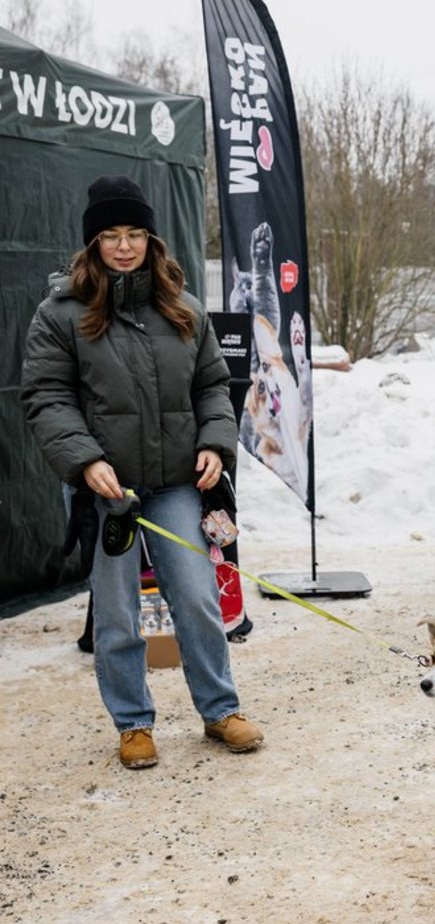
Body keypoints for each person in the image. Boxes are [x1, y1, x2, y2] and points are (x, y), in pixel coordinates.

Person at [21, 174, 264, 769]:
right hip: (108, 490)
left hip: (178, 482)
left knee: (198, 597)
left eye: (135, 234)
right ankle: (133, 723)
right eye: (111, 235)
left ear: (152, 240)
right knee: (118, 611)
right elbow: (48, 398)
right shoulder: (61, 315)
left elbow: (213, 385)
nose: (124, 245)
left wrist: (214, 441)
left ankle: (219, 711)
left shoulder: (182, 310)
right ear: (93, 243)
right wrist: (86, 461)